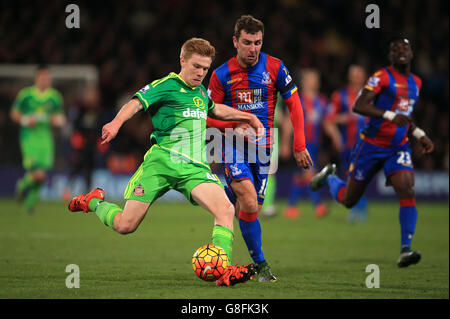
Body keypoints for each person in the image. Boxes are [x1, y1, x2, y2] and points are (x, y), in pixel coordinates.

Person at [68, 38, 265, 286]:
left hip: (193, 169)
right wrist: (116, 124)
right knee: (125, 225)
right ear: (182, 61)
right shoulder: (167, 85)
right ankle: (94, 201)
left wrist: (248, 117)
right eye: (196, 66)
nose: (201, 73)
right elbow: (135, 103)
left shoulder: (201, 93)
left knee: (225, 209)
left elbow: (216, 110)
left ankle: (221, 269)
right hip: (160, 164)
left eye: (205, 69)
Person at [310, 37, 434, 267]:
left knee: (407, 188)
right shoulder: (382, 77)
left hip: (398, 147)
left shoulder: (416, 82)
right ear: (390, 56)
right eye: (396, 48)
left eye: (405, 48)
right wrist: (388, 115)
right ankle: (330, 178)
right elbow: (359, 105)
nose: (401, 51)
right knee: (349, 200)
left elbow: (405, 116)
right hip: (371, 146)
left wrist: (419, 135)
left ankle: (406, 248)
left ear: (411, 53)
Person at [207, 15, 313, 282]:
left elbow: (295, 105)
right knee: (251, 202)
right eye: (247, 42)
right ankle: (261, 265)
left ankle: (222, 204)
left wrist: (299, 144)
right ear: (235, 42)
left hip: (264, 150)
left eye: (257, 42)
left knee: (249, 208)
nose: (252, 48)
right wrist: (234, 127)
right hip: (231, 147)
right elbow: (205, 116)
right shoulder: (221, 75)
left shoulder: (275, 68)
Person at [11, 65, 66, 213]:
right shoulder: (26, 95)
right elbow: (14, 113)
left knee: (41, 176)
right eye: (42, 77)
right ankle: (22, 186)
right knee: (37, 174)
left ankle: (29, 204)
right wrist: (25, 120)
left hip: (46, 139)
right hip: (29, 138)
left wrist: (58, 120)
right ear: (36, 78)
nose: (44, 80)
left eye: (47, 78)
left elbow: (60, 117)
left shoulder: (54, 97)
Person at [283, 69, 334, 219]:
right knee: (310, 173)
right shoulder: (297, 99)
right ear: (304, 81)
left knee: (300, 176)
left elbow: (327, 121)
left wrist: (334, 136)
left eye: (316, 79)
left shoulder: (322, 101)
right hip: (302, 143)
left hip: (315, 143)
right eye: (311, 79)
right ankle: (318, 205)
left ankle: (291, 207)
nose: (315, 82)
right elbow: (287, 122)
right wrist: (286, 143)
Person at [323, 65, 369, 223]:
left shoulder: (371, 96)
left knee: (359, 176)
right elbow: (329, 119)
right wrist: (337, 136)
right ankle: (357, 208)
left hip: (367, 144)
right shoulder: (340, 95)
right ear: (349, 77)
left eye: (359, 74)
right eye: (353, 74)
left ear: (364, 76)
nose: (356, 77)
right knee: (352, 178)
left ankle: (359, 208)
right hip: (348, 145)